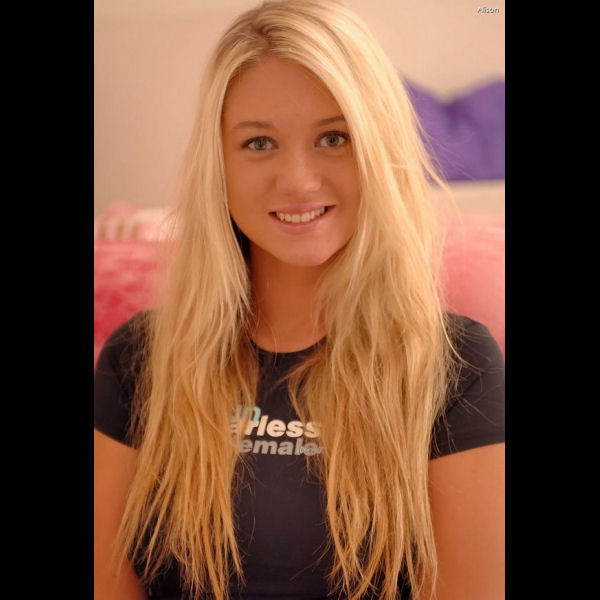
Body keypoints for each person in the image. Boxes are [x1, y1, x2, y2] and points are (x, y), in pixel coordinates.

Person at [94, 0, 505, 598]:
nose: (298, 180)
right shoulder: (138, 358)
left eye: (333, 138)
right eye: (259, 143)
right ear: (219, 165)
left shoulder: (458, 365)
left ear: (378, 150)